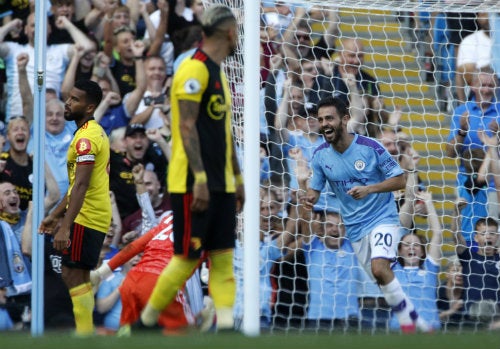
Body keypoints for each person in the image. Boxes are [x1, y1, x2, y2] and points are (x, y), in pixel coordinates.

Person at [138, 4, 244, 332]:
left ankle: (226, 327)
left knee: (224, 257)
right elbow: (186, 126)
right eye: (237, 29)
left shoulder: (218, 71)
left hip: (222, 183)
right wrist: (199, 178)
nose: (239, 35)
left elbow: (223, 130)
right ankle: (147, 321)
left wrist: (237, 176)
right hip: (192, 182)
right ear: (228, 32)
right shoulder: (193, 68)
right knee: (186, 259)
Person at [303, 96, 428, 333]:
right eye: (320, 119)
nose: (324, 123)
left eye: (329, 118)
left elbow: (400, 180)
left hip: (382, 217)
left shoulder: (371, 147)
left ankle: (408, 329)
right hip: (354, 227)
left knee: (381, 268)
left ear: (345, 119)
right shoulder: (320, 155)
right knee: (381, 279)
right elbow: (315, 191)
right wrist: (308, 195)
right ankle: (417, 321)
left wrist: (370, 188)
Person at [38, 79, 111, 337]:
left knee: (71, 274)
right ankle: (85, 334)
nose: (68, 103)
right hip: (91, 214)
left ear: (89, 108)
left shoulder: (86, 139)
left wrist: (64, 227)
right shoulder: (87, 132)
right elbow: (74, 187)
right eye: (69, 97)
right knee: (77, 276)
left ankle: (84, 335)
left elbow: (80, 186)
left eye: (75, 100)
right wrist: (54, 216)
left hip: (86, 216)